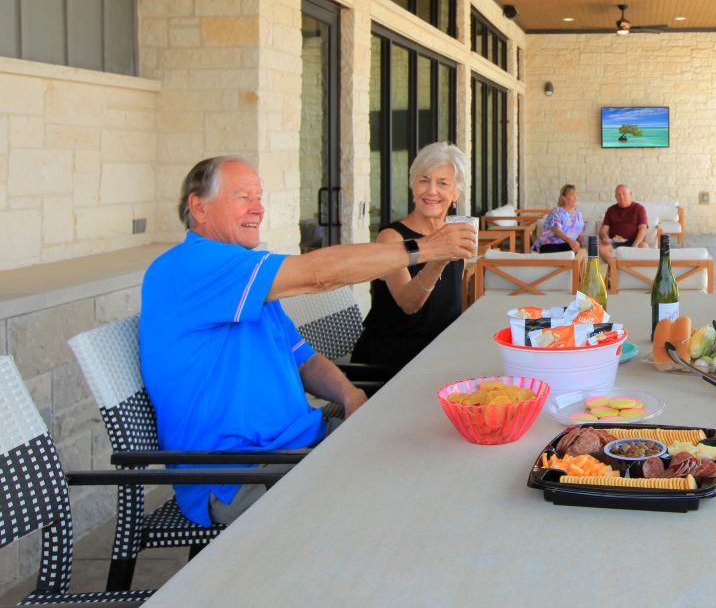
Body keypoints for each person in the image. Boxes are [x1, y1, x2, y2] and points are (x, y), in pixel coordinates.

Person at [140, 155, 476, 527]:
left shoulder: (244, 277)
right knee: (400, 497)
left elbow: (304, 359)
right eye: (243, 197)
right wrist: (425, 249)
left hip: (302, 444)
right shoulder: (192, 265)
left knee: (431, 454)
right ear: (198, 207)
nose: (258, 208)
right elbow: (317, 275)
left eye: (260, 196)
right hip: (242, 472)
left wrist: (350, 396)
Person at [354, 142, 473, 370]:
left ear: (455, 193)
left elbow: (446, 309)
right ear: (413, 186)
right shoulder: (391, 238)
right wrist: (438, 259)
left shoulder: (455, 235)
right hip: (391, 363)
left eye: (443, 183)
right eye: (424, 180)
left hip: (440, 355)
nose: (431, 191)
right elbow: (408, 304)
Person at [597, 184, 651, 267]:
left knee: (644, 247)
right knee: (601, 246)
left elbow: (643, 228)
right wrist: (604, 237)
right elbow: (604, 229)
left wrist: (635, 244)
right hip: (615, 242)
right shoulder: (611, 210)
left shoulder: (639, 208)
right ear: (615, 197)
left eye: (624, 193)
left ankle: (633, 272)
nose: (621, 196)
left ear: (630, 194)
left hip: (635, 241)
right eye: (618, 194)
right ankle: (617, 268)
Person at [533, 184, 584, 253]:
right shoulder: (557, 211)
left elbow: (579, 227)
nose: (575, 197)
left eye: (576, 195)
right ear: (563, 198)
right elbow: (557, 230)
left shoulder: (578, 213)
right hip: (551, 244)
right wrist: (571, 242)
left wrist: (580, 235)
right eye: (572, 195)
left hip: (568, 245)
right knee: (569, 249)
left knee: (572, 250)